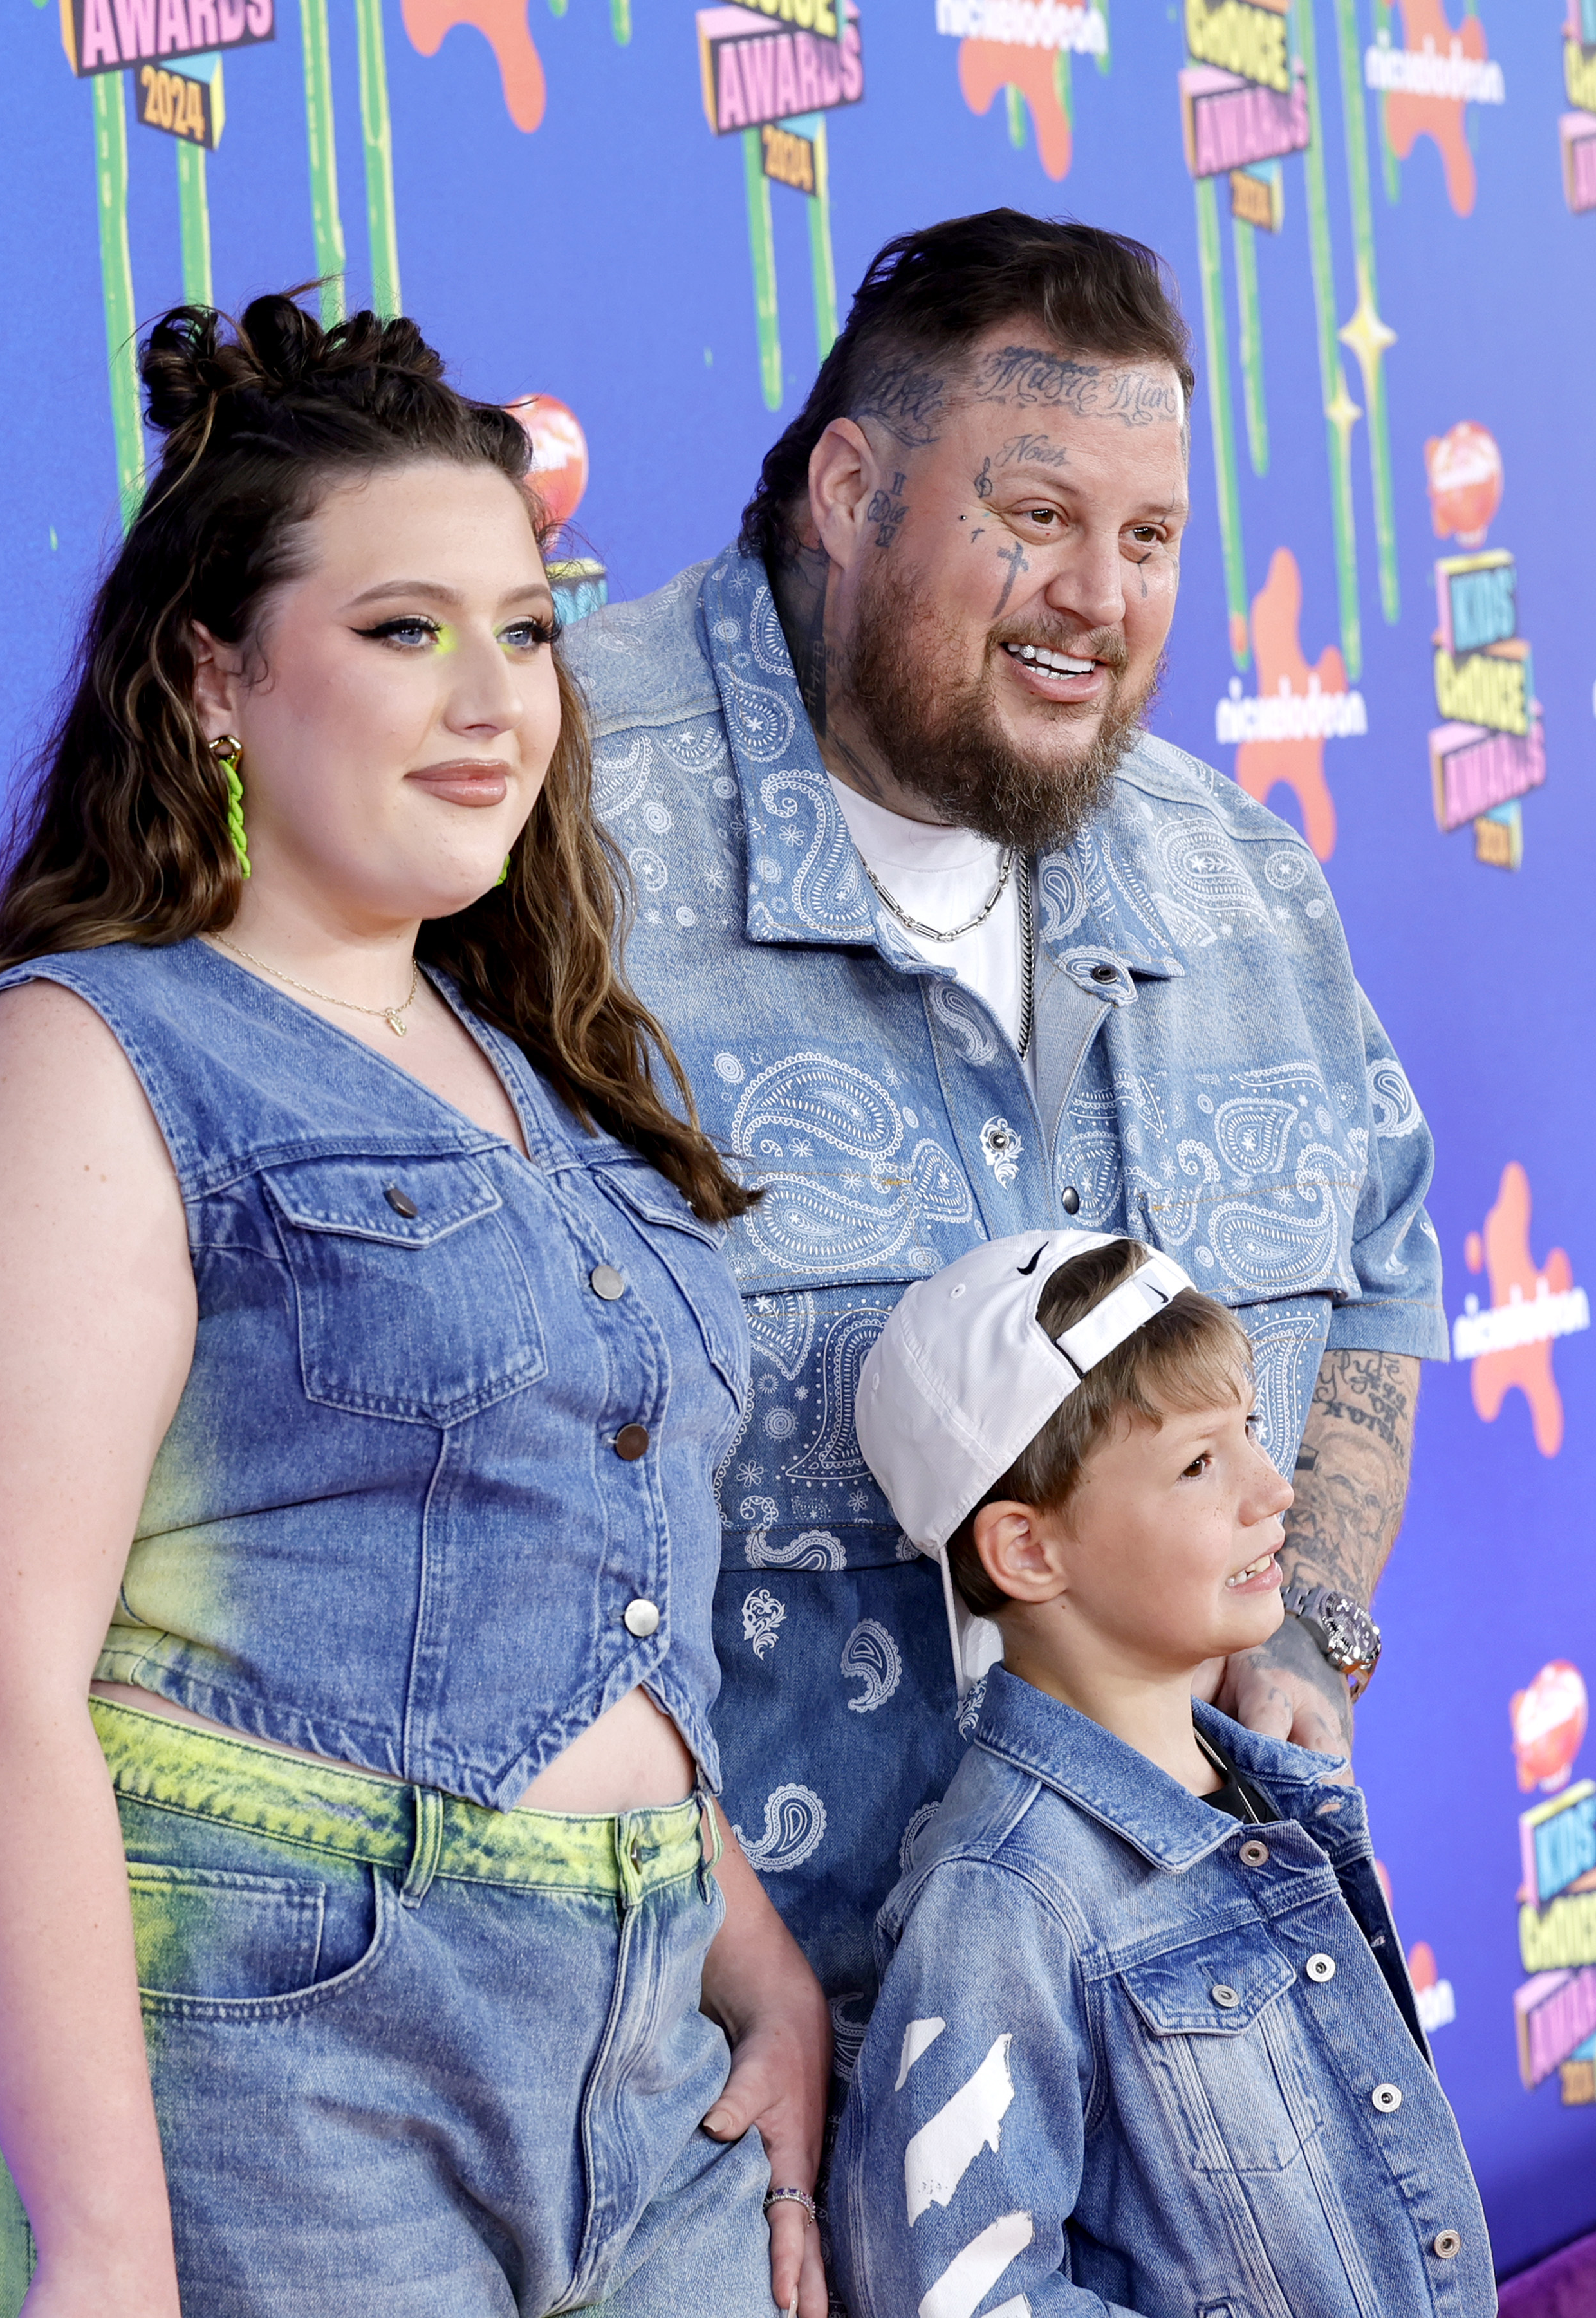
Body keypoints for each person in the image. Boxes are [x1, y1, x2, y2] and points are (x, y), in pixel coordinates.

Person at [0, 292, 832, 2318]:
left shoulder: (542, 1063)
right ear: (217, 676)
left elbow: (571, 1595)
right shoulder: (90, 1056)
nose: (495, 696)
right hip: (278, 2077)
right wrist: (109, 2245)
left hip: (652, 2086)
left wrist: (758, 1962)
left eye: (529, 626)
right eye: (405, 630)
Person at [564, 210, 1442, 2055]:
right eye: (1033, 516)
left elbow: (1376, 1270)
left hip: (1167, 2041)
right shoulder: (542, 836)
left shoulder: (1239, 877)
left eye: (1149, 539)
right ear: (852, 489)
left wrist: (1311, 1634)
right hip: (706, 2105)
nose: (1098, 600)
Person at [831, 1234, 1493, 2317]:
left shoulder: (1272, 1793)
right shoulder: (1003, 1900)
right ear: (1029, 1551)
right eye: (1199, 1463)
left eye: (1253, 1435)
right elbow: (954, 2293)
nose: (1274, 1491)